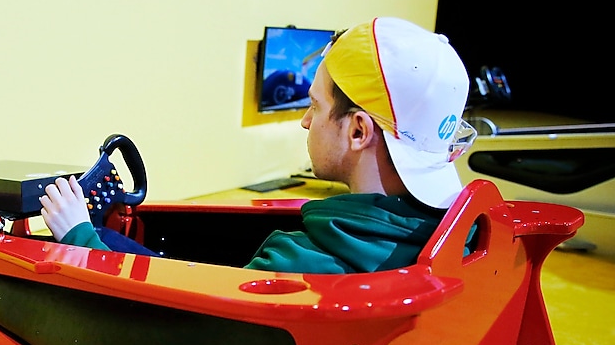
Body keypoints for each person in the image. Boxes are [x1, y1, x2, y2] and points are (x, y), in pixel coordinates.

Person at [39, 17, 477, 273]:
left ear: (358, 131)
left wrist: (79, 237)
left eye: (314, 106)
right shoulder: (465, 238)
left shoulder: (292, 263)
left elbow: (160, 327)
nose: (305, 122)